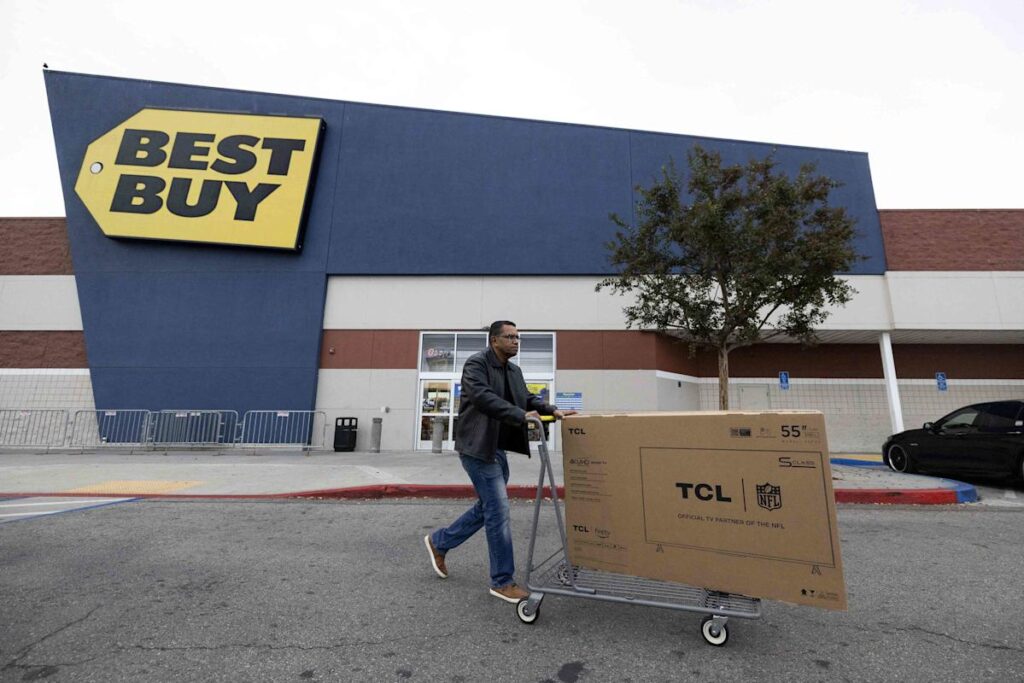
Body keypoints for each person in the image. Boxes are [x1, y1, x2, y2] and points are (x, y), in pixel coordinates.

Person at [423, 320, 576, 603]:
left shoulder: (514, 370)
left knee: (489, 507)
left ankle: (440, 541)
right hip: (477, 447)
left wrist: (551, 409)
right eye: (510, 337)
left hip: (497, 448)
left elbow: (526, 398)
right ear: (494, 340)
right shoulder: (476, 364)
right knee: (498, 509)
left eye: (518, 337)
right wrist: (519, 415)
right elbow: (483, 398)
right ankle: (502, 581)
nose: (516, 341)